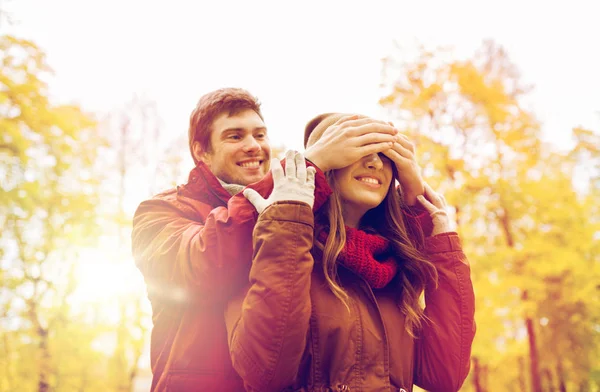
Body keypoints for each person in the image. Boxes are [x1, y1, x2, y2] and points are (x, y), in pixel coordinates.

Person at [131, 90, 404, 391]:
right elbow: (204, 263)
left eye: (260, 135)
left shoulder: (302, 211)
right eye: (235, 136)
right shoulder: (161, 212)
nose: (253, 146)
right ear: (201, 151)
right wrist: (309, 166)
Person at [225, 113, 476, 391]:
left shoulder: (396, 268)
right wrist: (287, 223)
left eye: (385, 155)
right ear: (327, 162)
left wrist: (436, 236)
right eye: (359, 149)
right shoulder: (277, 241)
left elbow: (445, 376)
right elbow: (265, 373)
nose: (374, 162)